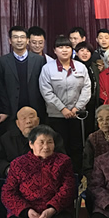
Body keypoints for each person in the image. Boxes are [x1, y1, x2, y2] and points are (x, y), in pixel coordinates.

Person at [39, 35, 92, 177]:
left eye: (67, 47)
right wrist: (62, 109)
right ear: (54, 50)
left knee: (77, 146)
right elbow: (46, 92)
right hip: (56, 115)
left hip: (76, 115)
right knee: (58, 146)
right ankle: (60, 175)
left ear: (72, 50)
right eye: (60, 47)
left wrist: (76, 108)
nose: (64, 50)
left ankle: (77, 176)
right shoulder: (47, 69)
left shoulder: (80, 67)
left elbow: (87, 89)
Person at [0, 106, 65, 178]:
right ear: (17, 123)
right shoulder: (7, 138)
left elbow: (61, 158)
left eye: (31, 117)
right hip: (17, 178)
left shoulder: (51, 136)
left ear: (38, 120)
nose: (28, 121)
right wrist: (9, 169)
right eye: (23, 118)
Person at [0, 26, 46, 126]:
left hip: (36, 109)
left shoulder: (39, 60)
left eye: (22, 37)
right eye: (15, 37)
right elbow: (0, 87)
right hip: (12, 111)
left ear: (27, 40)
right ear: (10, 41)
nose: (19, 40)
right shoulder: (2, 61)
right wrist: (5, 109)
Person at [83, 105, 109, 181]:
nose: (104, 122)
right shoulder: (92, 138)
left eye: (108, 119)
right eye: (101, 119)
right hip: (97, 178)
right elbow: (87, 166)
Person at [75, 41, 101, 135]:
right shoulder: (72, 66)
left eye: (88, 51)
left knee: (90, 129)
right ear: (76, 53)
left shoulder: (94, 67)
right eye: (82, 50)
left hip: (92, 103)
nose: (85, 53)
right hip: (76, 104)